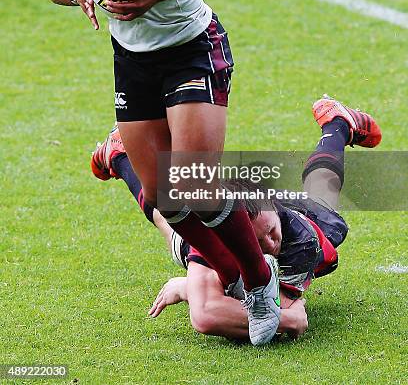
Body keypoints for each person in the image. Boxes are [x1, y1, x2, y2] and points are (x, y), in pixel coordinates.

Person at [44, 0, 280, 345]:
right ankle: (234, 276)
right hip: (133, 59)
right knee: (166, 198)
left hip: (191, 50)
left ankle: (261, 281)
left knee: (193, 179)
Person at [91, 95, 382, 341]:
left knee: (322, 196)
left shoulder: (299, 241)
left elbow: (288, 311)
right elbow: (210, 317)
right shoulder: (217, 230)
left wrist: (187, 289)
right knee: (173, 227)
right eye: (260, 240)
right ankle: (118, 151)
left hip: (296, 218)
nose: (271, 242)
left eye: (269, 232)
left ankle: (337, 124)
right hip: (222, 219)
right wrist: (198, 292)